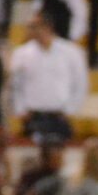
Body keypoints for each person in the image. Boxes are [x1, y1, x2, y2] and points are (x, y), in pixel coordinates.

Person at [9, 10, 89, 146]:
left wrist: (70, 110)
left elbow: (81, 84)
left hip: (59, 115)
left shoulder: (71, 52)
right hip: (33, 116)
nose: (29, 30)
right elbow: (16, 86)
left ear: (47, 27)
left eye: (33, 26)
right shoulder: (21, 54)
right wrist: (21, 109)